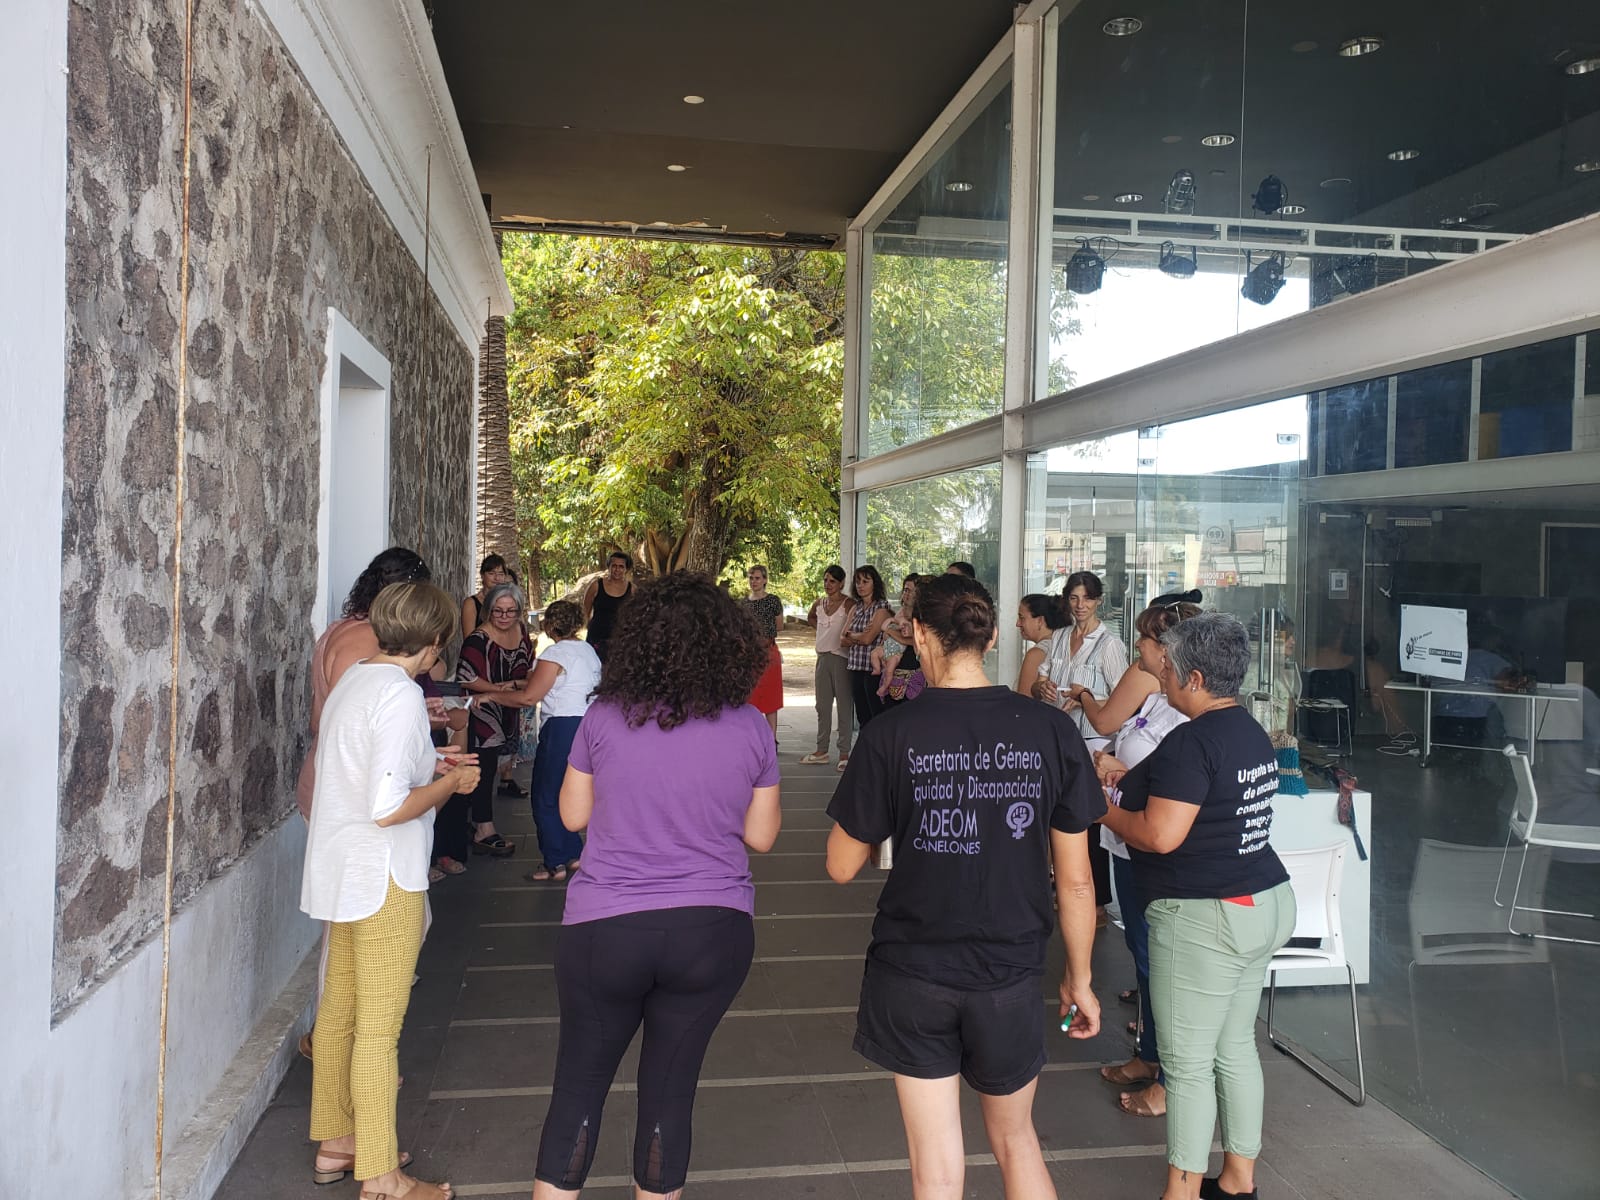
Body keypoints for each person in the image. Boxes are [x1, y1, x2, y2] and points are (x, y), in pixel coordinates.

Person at [826, 573, 1103, 1200]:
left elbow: (841, 864)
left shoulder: (892, 733)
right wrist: (1079, 978)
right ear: (994, 633)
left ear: (919, 633)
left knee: (935, 1165)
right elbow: (1078, 883)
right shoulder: (1052, 731)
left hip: (912, 971)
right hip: (1009, 971)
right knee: (1016, 1140)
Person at [532, 572, 781, 1199]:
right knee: (670, 1097)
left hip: (605, 929)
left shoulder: (603, 719)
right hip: (712, 930)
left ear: (640, 642)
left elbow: (572, 817)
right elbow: (762, 837)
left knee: (577, 1094)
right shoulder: (750, 726)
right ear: (729, 646)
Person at [1098, 613, 1295, 1200]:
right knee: (1234, 1048)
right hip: (1260, 902)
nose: (1161, 674)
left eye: (1169, 667)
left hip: (1205, 917)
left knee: (1185, 1067)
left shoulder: (1193, 740)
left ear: (1198, 677)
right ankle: (1237, 1183)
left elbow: (1159, 835)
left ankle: (1180, 1192)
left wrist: (1098, 807)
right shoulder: (1247, 731)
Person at [302, 581, 479, 1200]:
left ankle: (338, 1139)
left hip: (339, 871)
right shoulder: (402, 695)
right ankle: (382, 1177)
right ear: (434, 642)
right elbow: (387, 807)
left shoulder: (354, 680)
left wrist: (430, 766)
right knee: (378, 1031)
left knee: (339, 1014)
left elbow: (356, 771)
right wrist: (451, 787)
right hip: (384, 877)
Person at [1089, 591, 1203, 1121]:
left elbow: (1171, 791)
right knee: (1144, 957)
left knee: (1162, 965)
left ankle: (1169, 1078)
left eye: (1145, 640)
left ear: (1170, 650)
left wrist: (1111, 779)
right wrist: (1113, 766)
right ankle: (1150, 1055)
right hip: (1129, 847)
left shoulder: (1189, 717)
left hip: (1152, 851)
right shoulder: (1160, 699)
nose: (1137, 647)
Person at [443, 583, 536, 870]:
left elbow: (530, 671)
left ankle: (477, 821)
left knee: (493, 768)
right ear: (488, 610)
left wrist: (515, 687)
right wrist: (498, 690)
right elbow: (467, 678)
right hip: (483, 710)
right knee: (482, 767)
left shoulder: (522, 633)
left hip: (510, 707)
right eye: (498, 611)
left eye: (511, 611)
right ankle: (484, 828)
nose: (505, 616)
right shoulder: (478, 640)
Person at [514, 600, 598, 883]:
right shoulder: (587, 651)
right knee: (570, 791)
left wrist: (489, 696)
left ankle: (554, 861)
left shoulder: (555, 653)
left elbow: (529, 697)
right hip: (588, 725)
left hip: (562, 727)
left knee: (545, 795)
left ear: (549, 625)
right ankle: (573, 852)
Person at [1032, 570, 1130, 753]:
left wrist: (1085, 701)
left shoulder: (1109, 644)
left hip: (1094, 740)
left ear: (1099, 600)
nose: (1080, 605)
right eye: (1074, 598)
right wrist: (1042, 688)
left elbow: (1123, 702)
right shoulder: (1059, 637)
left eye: (1087, 598)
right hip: (1055, 735)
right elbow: (1037, 685)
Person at [801, 565, 855, 769]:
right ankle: (821, 749)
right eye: (825, 580)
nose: (828, 585)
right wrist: (822, 630)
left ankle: (844, 752)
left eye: (832, 581)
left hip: (840, 658)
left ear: (841, 583)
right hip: (822, 657)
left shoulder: (848, 603)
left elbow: (855, 622)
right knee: (822, 706)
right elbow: (811, 617)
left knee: (843, 706)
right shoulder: (820, 603)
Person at [840, 565, 893, 729]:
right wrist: (858, 636)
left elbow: (867, 639)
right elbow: (842, 639)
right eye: (858, 582)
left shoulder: (881, 608)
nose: (860, 585)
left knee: (875, 715)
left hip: (873, 670)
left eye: (865, 581)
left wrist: (853, 635)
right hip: (856, 667)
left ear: (874, 583)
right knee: (862, 716)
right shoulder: (856, 608)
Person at [744, 563, 785, 738]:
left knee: (771, 697)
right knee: (750, 696)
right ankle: (753, 738)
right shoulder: (743, 603)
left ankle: (772, 738)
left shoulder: (772, 601)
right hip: (749, 654)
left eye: (757, 578)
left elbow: (779, 626)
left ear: (765, 580)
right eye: (751, 578)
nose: (754, 582)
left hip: (768, 650)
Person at [874, 574, 925, 704]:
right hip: (894, 676)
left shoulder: (923, 617)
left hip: (911, 679)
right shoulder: (901, 612)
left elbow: (913, 640)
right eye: (905, 590)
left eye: (910, 590)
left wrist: (890, 631)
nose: (906, 594)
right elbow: (888, 637)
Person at [582, 550, 634, 663]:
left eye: (621, 566)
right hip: (596, 637)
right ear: (608, 567)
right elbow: (585, 611)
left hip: (620, 640)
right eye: (614, 565)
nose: (617, 569)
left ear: (626, 569)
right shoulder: (596, 586)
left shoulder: (633, 590)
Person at [1014, 593, 1069, 697]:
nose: (1018, 623)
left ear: (1040, 621)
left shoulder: (1036, 654)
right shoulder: (1063, 644)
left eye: (1022, 618)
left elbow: (1024, 703)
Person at [462, 553, 510, 640]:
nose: (497, 578)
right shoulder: (471, 603)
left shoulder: (510, 602)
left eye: (500, 574)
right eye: (491, 573)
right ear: (482, 575)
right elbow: (468, 640)